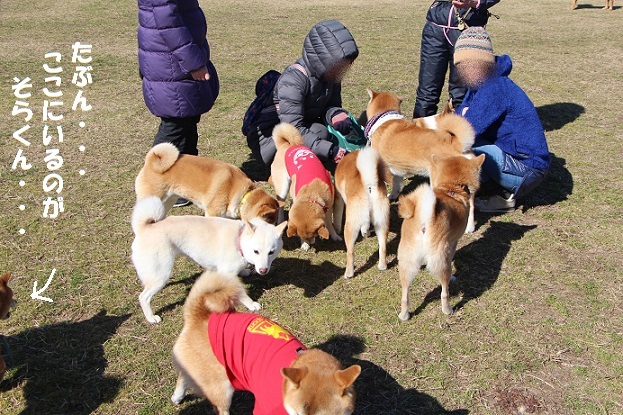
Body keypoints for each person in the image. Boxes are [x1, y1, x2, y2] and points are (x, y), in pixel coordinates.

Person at [453, 27, 550, 212]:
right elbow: (459, 116)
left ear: (479, 62)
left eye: (465, 64)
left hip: (527, 171)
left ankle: (502, 193)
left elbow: (464, 127)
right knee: (461, 144)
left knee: (462, 142)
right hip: (511, 159)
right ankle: (498, 193)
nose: (461, 70)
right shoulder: (480, 84)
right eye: (459, 65)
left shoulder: (494, 87)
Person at [244, 20, 359, 168]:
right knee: (320, 134)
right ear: (324, 60)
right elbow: (292, 128)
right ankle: (287, 168)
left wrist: (335, 114)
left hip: (299, 127)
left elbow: (330, 105)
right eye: (341, 65)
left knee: (321, 131)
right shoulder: (292, 81)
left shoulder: (331, 75)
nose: (344, 70)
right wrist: (330, 150)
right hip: (271, 139)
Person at [137, 0, 219, 206]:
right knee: (175, 123)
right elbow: (168, 23)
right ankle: (152, 186)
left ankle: (186, 183)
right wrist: (193, 62)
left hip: (173, 59)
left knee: (188, 119)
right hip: (172, 62)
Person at [413, 0, 500, 119]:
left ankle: (457, 136)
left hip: (467, 30)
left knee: (461, 96)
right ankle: (420, 135)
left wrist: (475, 2)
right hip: (435, 28)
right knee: (426, 94)